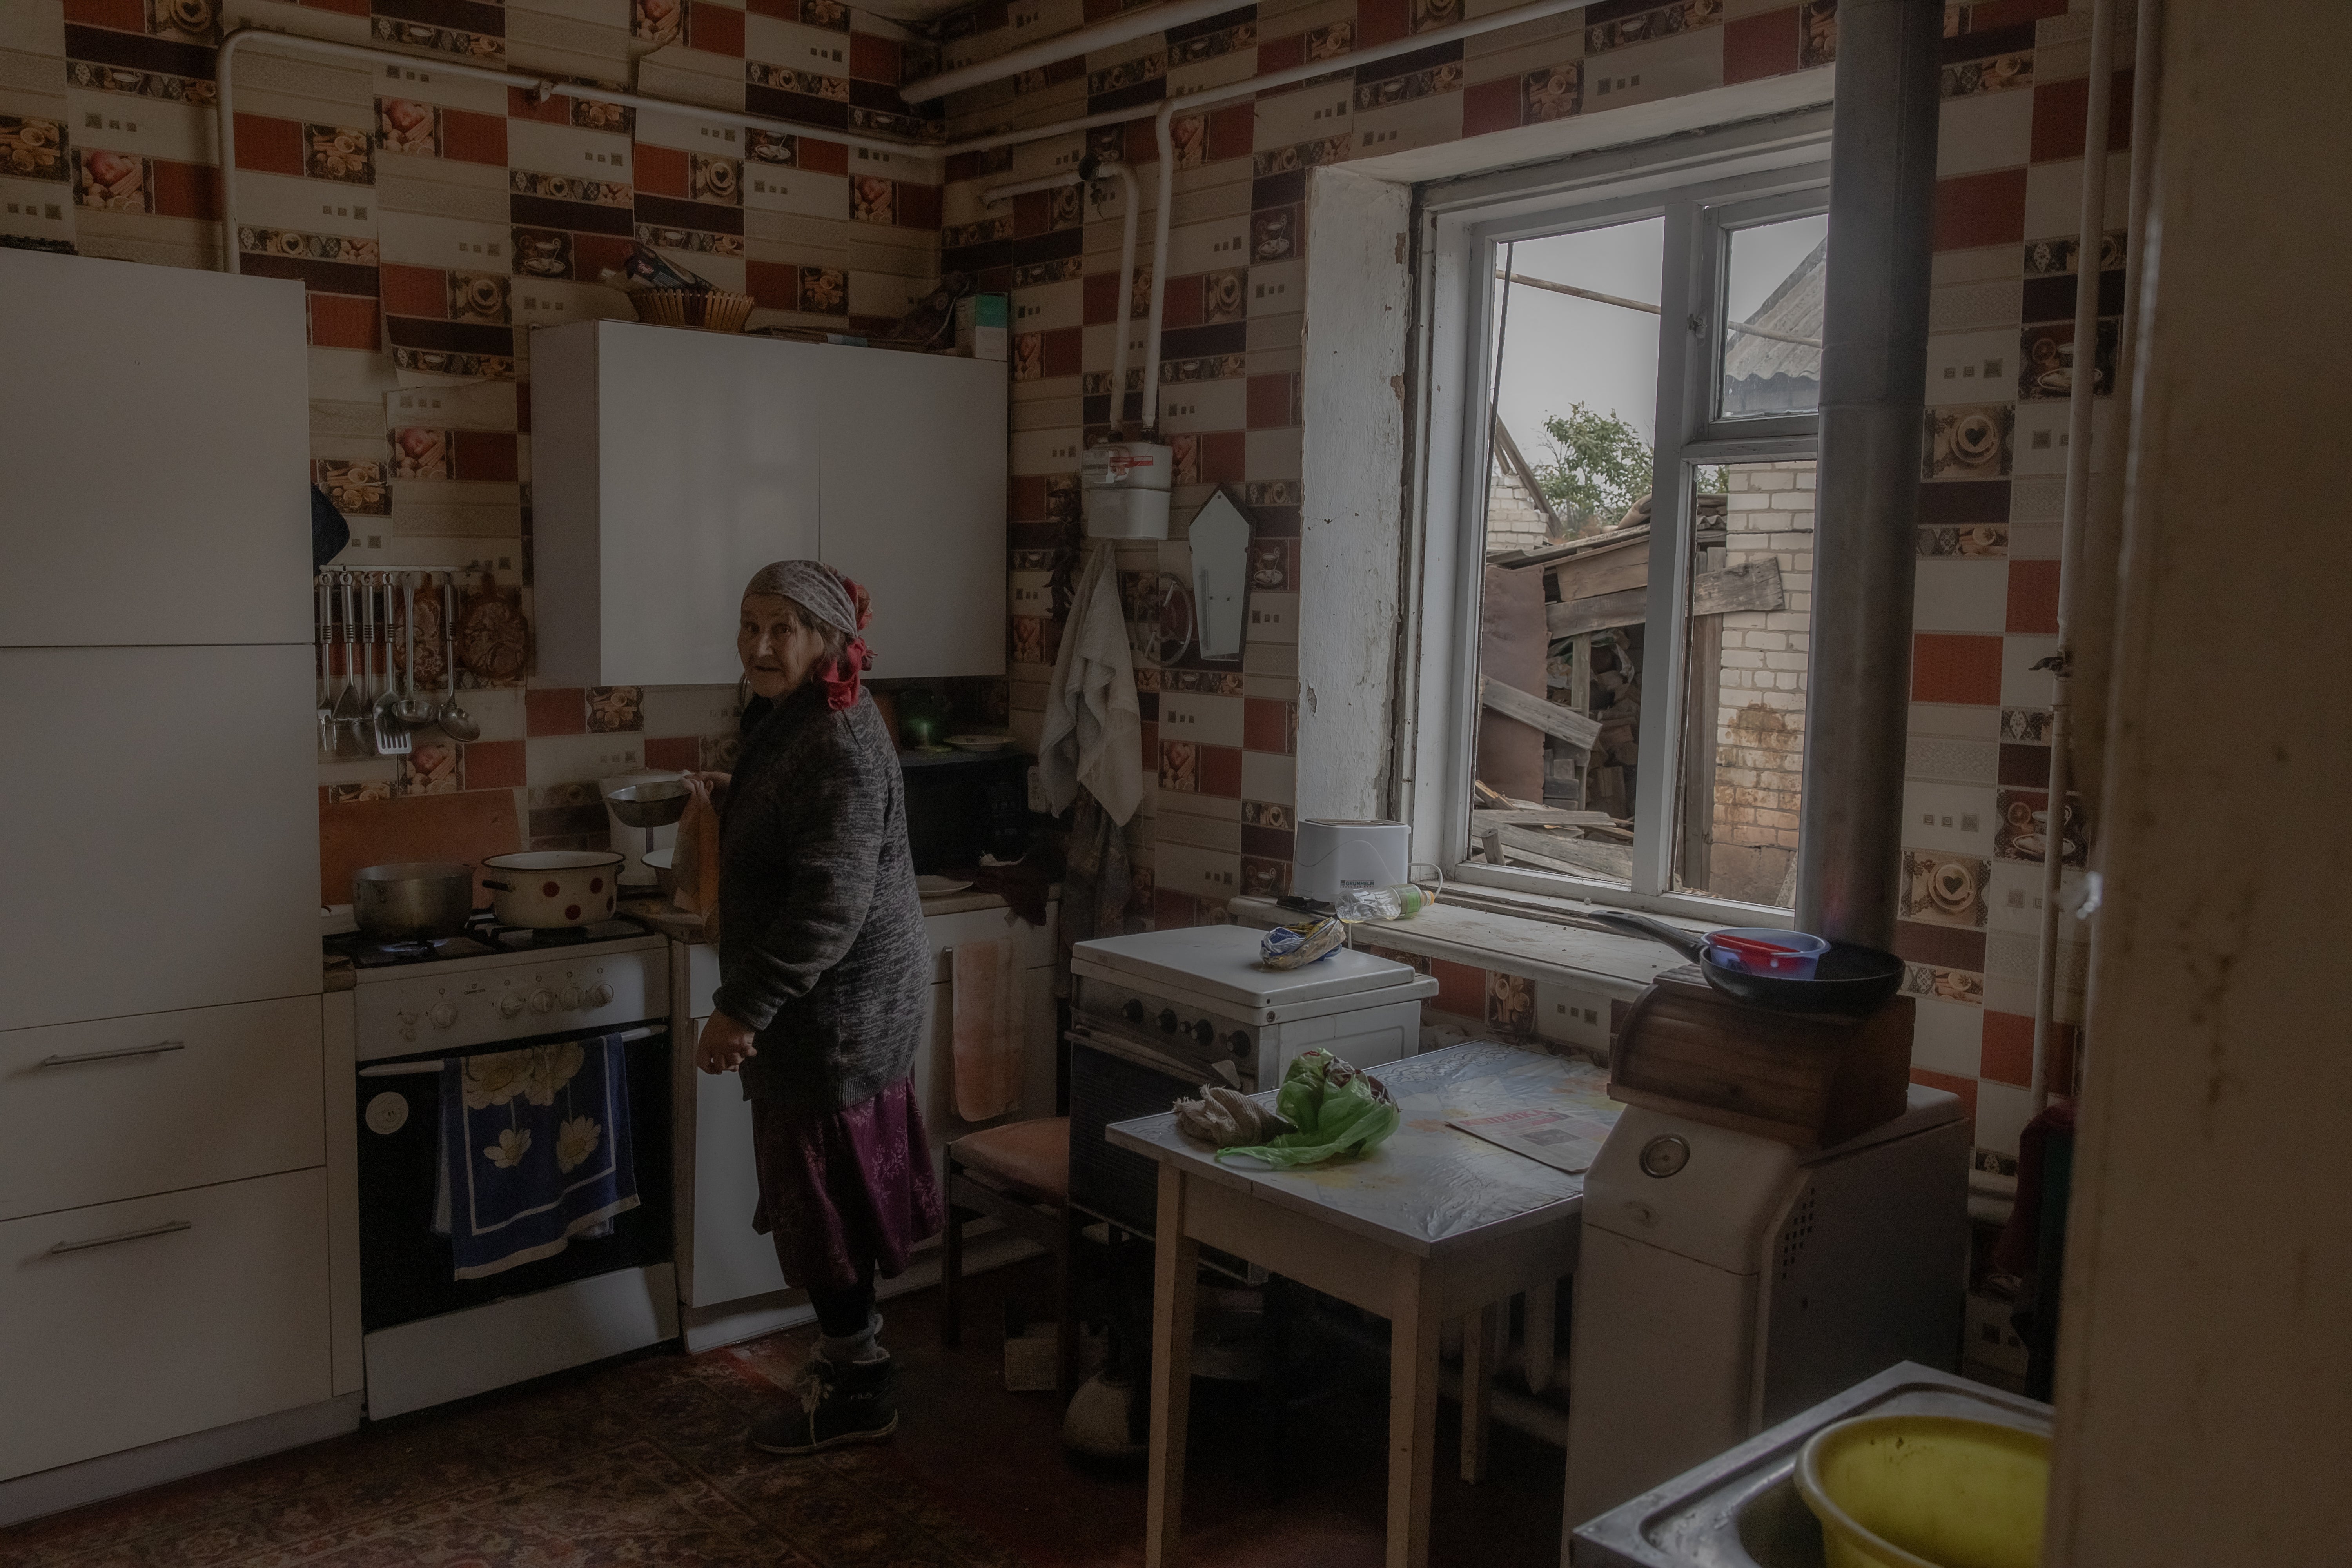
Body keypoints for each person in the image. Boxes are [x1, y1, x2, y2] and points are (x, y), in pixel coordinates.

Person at [683, 560, 940, 1455]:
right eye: (750, 623)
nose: (758, 644)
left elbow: (829, 904)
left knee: (823, 1197)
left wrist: (740, 1009)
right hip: (829, 1005)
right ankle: (853, 1358)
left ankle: (860, 1380)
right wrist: (736, 798)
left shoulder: (837, 739)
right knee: (820, 1191)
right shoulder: (793, 716)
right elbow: (801, 834)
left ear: (828, 639)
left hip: (836, 1012)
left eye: (781, 628)